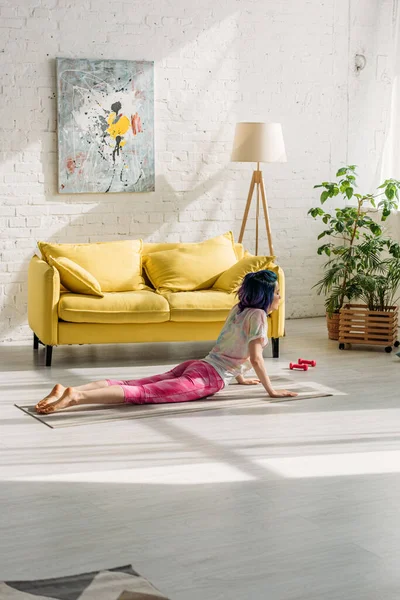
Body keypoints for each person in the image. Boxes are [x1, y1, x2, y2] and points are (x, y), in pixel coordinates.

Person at [35, 270, 298, 414]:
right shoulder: (260, 317)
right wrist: (271, 390)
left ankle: (67, 388)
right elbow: (254, 357)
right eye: (276, 293)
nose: (279, 297)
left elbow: (231, 345)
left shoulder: (239, 309)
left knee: (132, 383)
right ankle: (77, 396)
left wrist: (240, 378)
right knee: (142, 394)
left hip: (197, 364)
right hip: (207, 379)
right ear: (265, 297)